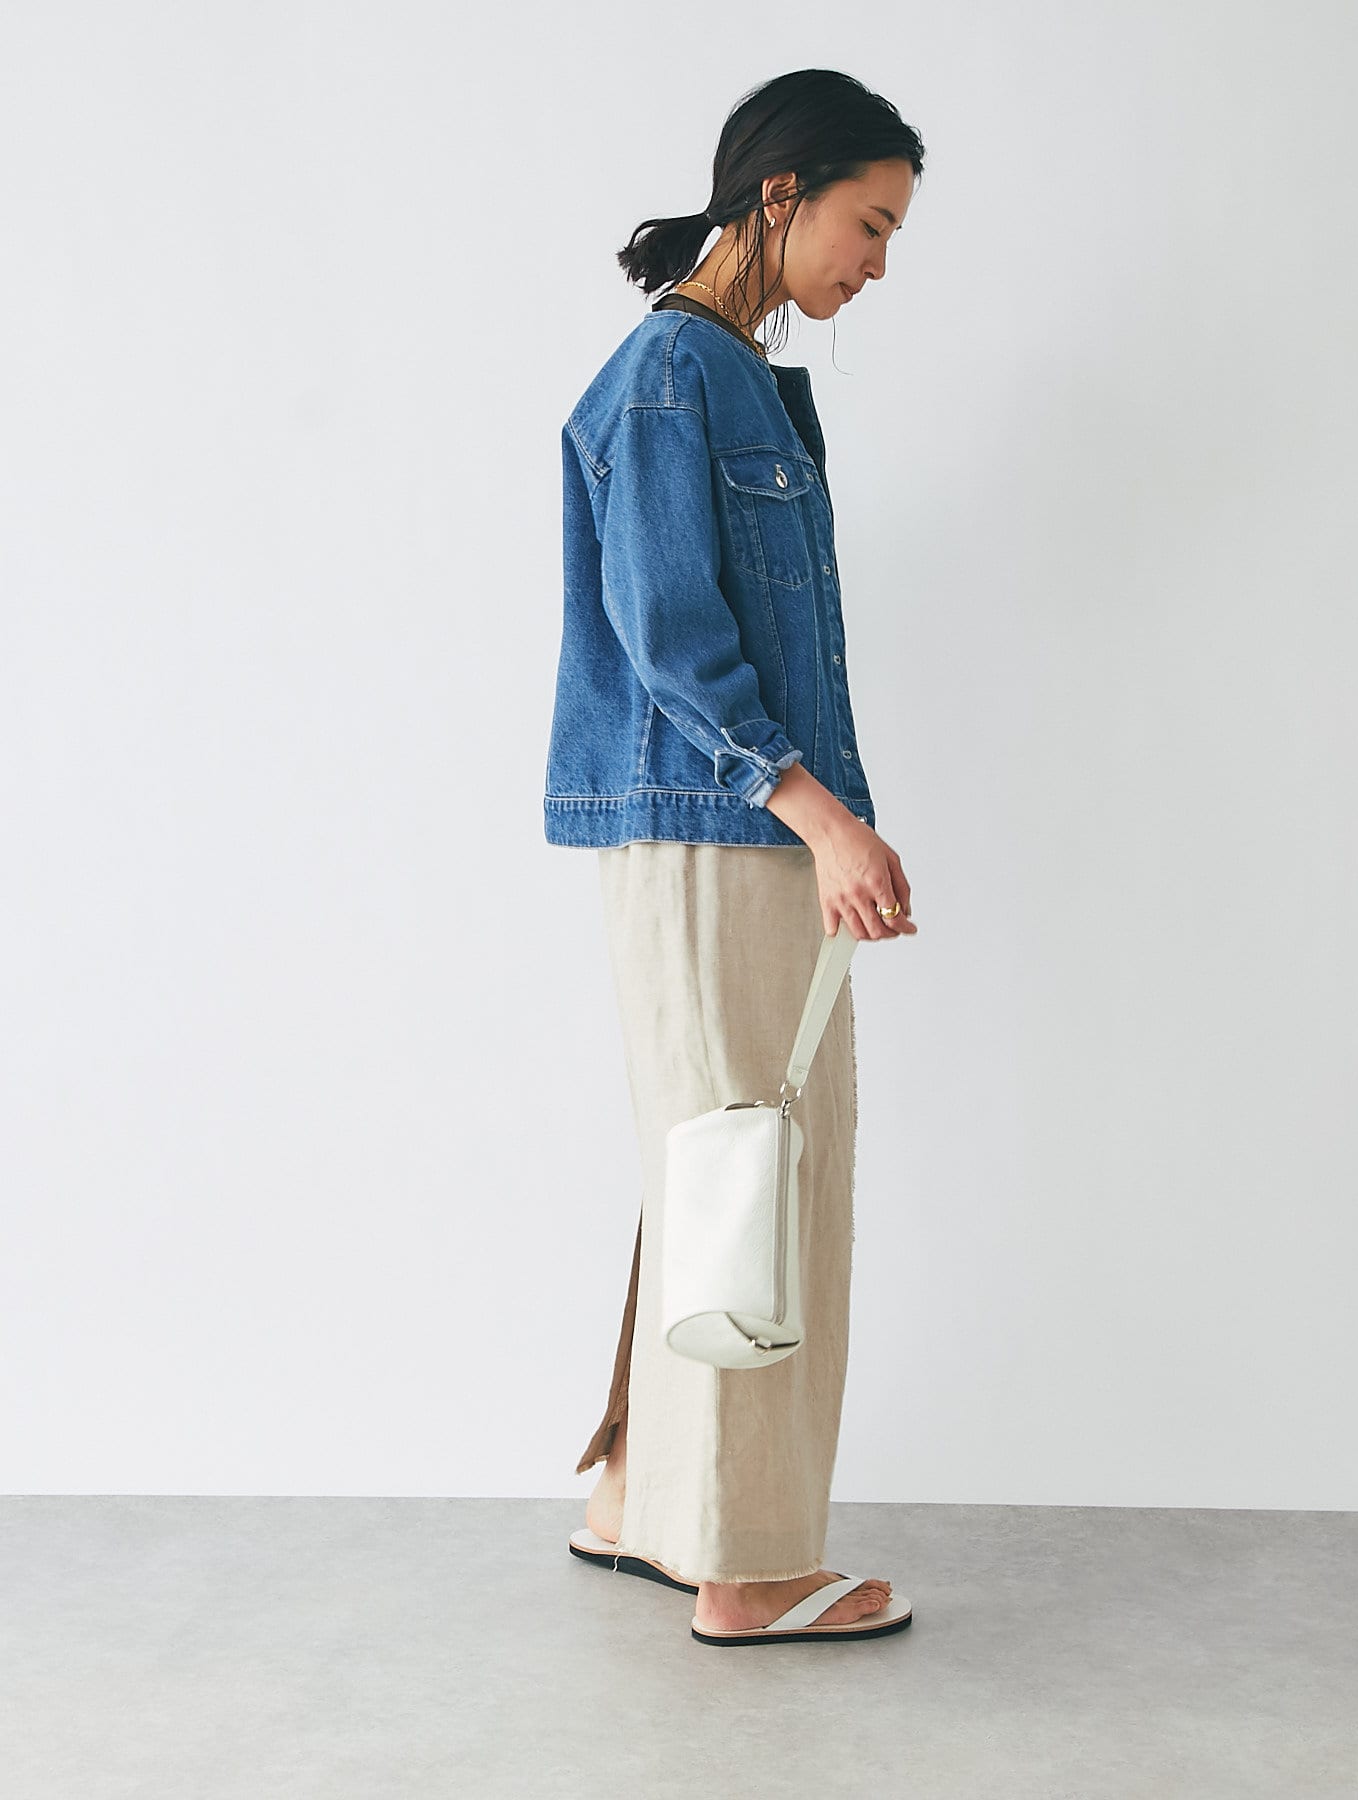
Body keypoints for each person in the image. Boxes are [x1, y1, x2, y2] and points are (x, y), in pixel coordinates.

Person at [543, 68, 925, 1645]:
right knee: (760, 1173)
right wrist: (822, 814)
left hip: (724, 825)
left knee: (715, 1162)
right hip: (728, 825)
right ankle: (749, 1566)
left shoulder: (727, 376)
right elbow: (671, 634)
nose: (879, 263)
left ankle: (642, 1494)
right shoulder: (671, 377)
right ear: (781, 193)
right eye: (869, 223)